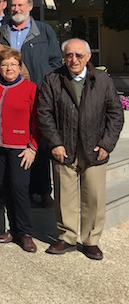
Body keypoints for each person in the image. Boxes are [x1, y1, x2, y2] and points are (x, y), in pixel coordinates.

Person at [39, 39, 124, 260]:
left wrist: (106, 144)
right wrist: (55, 143)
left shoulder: (103, 80)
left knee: (94, 197)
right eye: (69, 55)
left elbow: (116, 114)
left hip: (95, 149)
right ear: (63, 57)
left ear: (88, 57)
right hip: (64, 149)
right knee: (64, 196)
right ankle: (67, 237)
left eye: (78, 55)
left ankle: (91, 241)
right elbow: (45, 114)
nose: (73, 60)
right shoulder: (53, 79)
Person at [0, 0, 62, 207]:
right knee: (16, 142)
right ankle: (19, 191)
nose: (16, 10)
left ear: (29, 7)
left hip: (37, 94)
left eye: (20, 6)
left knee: (40, 142)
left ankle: (43, 190)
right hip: (10, 95)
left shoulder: (44, 32)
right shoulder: (3, 31)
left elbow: (56, 62)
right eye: (13, 6)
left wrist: (47, 86)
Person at [0, 47, 40, 253]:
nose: (9, 68)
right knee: (4, 186)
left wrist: (33, 147)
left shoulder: (30, 88)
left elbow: (38, 121)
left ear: (20, 67)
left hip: (20, 148)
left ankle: (25, 232)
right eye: (4, 64)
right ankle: (13, 229)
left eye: (13, 64)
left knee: (19, 188)